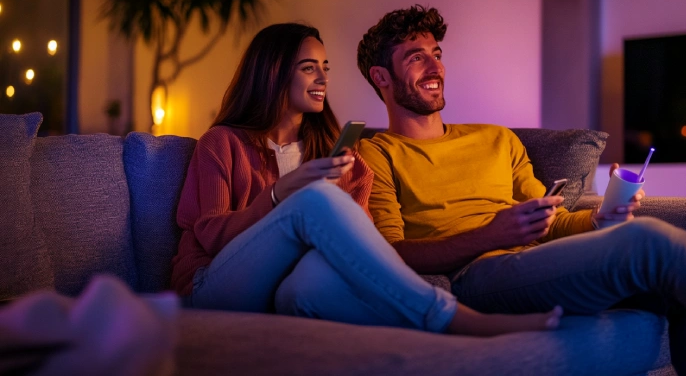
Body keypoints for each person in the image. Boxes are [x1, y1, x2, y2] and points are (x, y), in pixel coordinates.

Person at [355, 5, 686, 372]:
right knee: (649, 242)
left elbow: (551, 219)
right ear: (381, 77)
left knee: (684, 285)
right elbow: (394, 254)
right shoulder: (376, 154)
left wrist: (601, 218)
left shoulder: (497, 139)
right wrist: (491, 234)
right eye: (416, 57)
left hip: (539, 259)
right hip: (476, 275)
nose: (434, 66)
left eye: (437, 54)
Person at [169, 22, 564, 337]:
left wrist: (349, 183)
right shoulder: (221, 143)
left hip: (284, 290)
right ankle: (454, 318)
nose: (323, 78)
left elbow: (356, 244)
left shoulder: (336, 152)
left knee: (311, 284)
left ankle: (428, 343)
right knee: (313, 201)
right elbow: (208, 235)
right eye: (309, 68)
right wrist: (276, 196)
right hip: (216, 286)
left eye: (326, 68)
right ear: (272, 75)